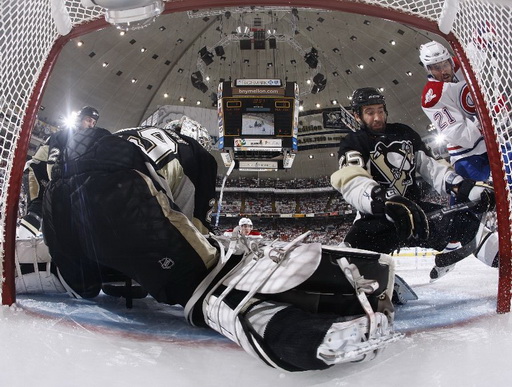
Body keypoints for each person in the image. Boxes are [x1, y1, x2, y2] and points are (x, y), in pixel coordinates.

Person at [38, 116, 399, 371]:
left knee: (83, 285)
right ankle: (298, 337)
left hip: (59, 199)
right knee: (208, 279)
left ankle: (41, 272)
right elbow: (191, 223)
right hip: (122, 190)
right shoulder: (191, 150)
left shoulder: (128, 133)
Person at [330, 87, 497, 277]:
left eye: (380, 110)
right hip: (377, 221)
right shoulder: (353, 142)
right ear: (357, 116)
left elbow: (432, 167)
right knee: (346, 265)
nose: (377, 117)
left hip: (418, 217)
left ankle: (503, 259)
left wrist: (463, 186)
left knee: (470, 227)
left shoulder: (405, 133)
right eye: (369, 112)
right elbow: (352, 179)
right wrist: (383, 200)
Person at [15, 106, 101, 294]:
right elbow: (52, 163)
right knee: (37, 208)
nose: (91, 125)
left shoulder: (84, 143)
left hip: (55, 178)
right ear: (79, 119)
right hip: (38, 172)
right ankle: (16, 253)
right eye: (88, 120)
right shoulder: (64, 135)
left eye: (94, 123)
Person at [419, 41, 490, 182]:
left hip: (491, 143)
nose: (443, 71)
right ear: (429, 70)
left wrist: (483, 37)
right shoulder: (432, 96)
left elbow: (475, 50)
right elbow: (463, 137)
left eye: (445, 64)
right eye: (436, 68)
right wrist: (486, 118)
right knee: (484, 197)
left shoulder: (459, 65)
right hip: (468, 157)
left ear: (450, 61)